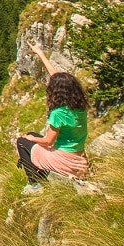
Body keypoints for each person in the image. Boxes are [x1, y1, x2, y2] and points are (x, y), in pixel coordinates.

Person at [16, 43, 90, 182]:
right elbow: (56, 76)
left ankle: (35, 182)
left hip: (64, 160)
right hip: (78, 157)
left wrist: (31, 140)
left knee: (22, 141)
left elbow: (48, 142)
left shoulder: (58, 113)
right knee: (32, 134)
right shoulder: (80, 109)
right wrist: (40, 53)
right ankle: (40, 172)